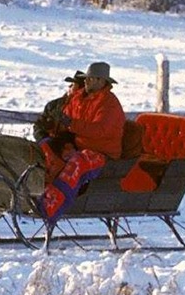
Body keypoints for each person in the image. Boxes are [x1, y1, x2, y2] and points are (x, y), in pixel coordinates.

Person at [39, 61, 126, 221]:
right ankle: (39, 191)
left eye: (91, 79)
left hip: (102, 152)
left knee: (78, 161)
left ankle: (53, 205)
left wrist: (71, 124)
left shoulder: (110, 104)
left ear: (102, 81)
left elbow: (99, 130)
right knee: (45, 146)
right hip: (78, 146)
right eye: (87, 78)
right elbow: (67, 118)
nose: (85, 81)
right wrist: (54, 126)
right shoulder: (78, 98)